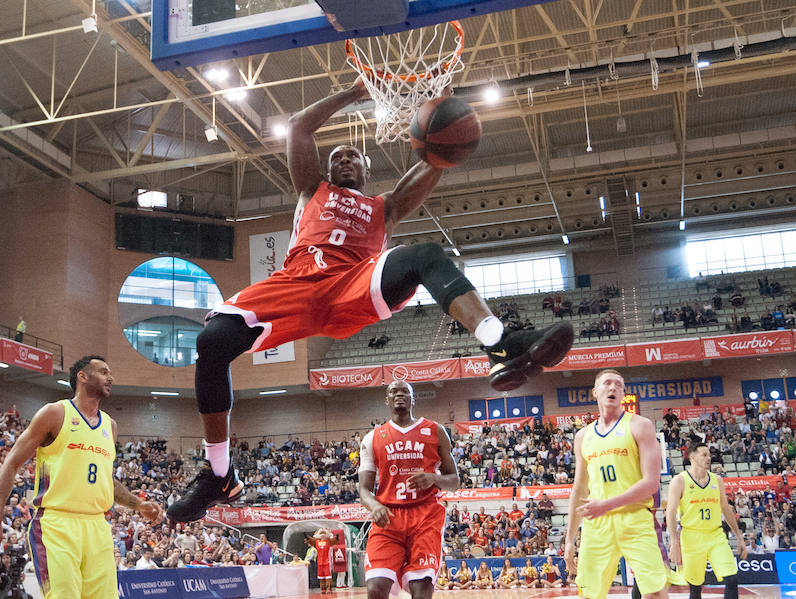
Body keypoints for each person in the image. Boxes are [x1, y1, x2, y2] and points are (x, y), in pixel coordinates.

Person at [168, 80, 574, 522]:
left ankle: (500, 343)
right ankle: (220, 474)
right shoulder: (312, 190)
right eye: (336, 157)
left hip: (355, 283)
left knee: (424, 256)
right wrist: (355, 91)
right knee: (212, 342)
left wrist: (446, 142)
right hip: (296, 282)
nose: (343, 160)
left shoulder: (385, 207)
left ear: (365, 168)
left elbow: (431, 163)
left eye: (352, 157)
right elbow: (301, 128)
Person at [0, 355, 163, 599]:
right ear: (82, 376)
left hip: (97, 525)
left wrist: (137, 504)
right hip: (57, 523)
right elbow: (11, 464)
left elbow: (105, 478)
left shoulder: (110, 425)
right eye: (103, 372)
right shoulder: (55, 413)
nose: (111, 377)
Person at [564, 369, 667, 599]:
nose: (613, 388)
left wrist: (607, 504)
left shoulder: (640, 425)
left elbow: (651, 483)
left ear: (623, 394)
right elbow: (579, 489)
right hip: (597, 524)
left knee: (656, 592)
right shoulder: (583, 436)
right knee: (589, 594)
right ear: (595, 392)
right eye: (607, 383)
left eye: (618, 385)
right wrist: (569, 539)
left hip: (635, 518)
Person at [358, 380, 458, 599]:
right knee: (375, 587)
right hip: (389, 516)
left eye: (405, 391)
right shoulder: (373, 437)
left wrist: (433, 478)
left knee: (421, 590)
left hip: (425, 516)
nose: (399, 394)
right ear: (387, 400)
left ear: (413, 399)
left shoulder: (436, 431)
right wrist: (374, 505)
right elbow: (364, 490)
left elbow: (455, 481)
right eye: (394, 391)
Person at [667, 443, 748, 599]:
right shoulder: (679, 481)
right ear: (692, 457)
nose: (709, 458)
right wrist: (674, 542)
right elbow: (670, 512)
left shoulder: (717, 480)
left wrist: (739, 537)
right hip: (691, 537)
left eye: (709, 454)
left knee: (732, 578)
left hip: (715, 535)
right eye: (704, 455)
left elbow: (726, 510)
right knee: (696, 587)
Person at [309, 528, 333, 593]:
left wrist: (326, 530)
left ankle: (329, 588)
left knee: (328, 576)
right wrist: (318, 532)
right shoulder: (317, 542)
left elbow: (331, 536)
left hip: (327, 562)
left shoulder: (328, 541)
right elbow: (313, 539)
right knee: (321, 577)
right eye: (321, 534)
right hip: (320, 562)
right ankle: (323, 588)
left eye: (324, 533)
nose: (322, 535)